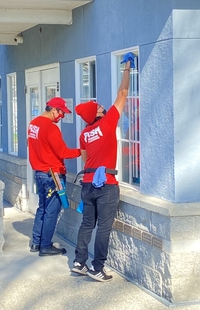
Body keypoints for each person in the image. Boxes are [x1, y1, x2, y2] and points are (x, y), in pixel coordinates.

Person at [71, 53, 134, 281]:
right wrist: (127, 69)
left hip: (87, 185)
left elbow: (85, 160)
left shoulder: (85, 133)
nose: (103, 107)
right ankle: (97, 268)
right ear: (97, 114)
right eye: (99, 106)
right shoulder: (108, 123)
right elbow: (123, 93)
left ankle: (79, 262)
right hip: (106, 185)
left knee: (87, 223)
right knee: (103, 228)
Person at [28, 97, 81, 256]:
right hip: (54, 176)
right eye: (61, 113)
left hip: (40, 174)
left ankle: (36, 242)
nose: (62, 116)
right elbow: (63, 152)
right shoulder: (51, 128)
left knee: (42, 207)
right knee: (52, 210)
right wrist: (82, 151)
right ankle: (45, 246)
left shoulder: (33, 124)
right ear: (53, 110)